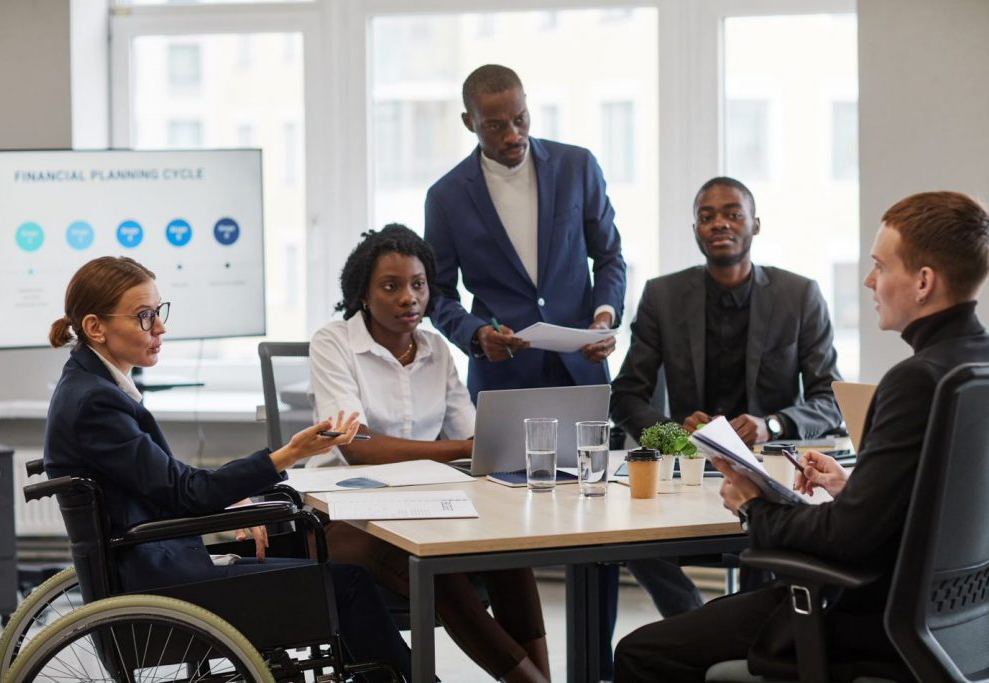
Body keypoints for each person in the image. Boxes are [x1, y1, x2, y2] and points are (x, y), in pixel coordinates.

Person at [613, 190, 989, 682]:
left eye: (880, 266)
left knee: (639, 652)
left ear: (922, 282)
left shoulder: (915, 380)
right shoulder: (973, 366)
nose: (869, 280)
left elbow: (845, 539)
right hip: (958, 625)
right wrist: (854, 488)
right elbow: (943, 504)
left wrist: (753, 504)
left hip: (866, 618)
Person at [44, 255, 412, 679]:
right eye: (144, 316)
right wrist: (286, 455)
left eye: (158, 312)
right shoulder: (96, 402)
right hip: (159, 577)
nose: (160, 328)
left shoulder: (90, 386)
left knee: (310, 555)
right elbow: (184, 492)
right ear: (95, 327)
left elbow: (159, 477)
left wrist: (234, 493)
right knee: (347, 583)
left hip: (152, 560)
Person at [423, 63, 629, 678]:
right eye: (495, 124)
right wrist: (475, 335)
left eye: (520, 118)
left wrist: (604, 312)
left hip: (581, 370)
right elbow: (438, 294)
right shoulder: (446, 194)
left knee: (600, 535)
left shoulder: (577, 165)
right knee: (509, 537)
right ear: (469, 123)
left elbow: (610, 254)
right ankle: (529, 669)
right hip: (505, 380)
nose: (512, 133)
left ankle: (595, 669)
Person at [310, 225, 551, 683]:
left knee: (509, 549)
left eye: (418, 285)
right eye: (391, 286)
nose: (409, 298)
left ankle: (542, 678)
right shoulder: (334, 342)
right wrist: (461, 449)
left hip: (425, 507)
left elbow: (474, 435)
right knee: (432, 565)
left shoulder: (437, 348)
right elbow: (356, 446)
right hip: (342, 515)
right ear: (363, 292)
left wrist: (493, 444)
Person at [611, 176, 845, 627]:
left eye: (732, 213)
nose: (719, 223)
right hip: (689, 466)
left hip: (771, 472)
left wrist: (771, 425)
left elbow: (828, 400)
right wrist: (671, 433)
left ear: (755, 224)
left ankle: (737, 630)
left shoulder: (800, 295)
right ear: (695, 229)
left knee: (771, 539)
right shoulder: (662, 295)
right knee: (627, 540)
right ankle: (697, 623)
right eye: (706, 216)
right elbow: (626, 395)